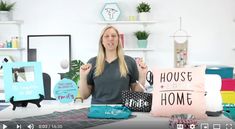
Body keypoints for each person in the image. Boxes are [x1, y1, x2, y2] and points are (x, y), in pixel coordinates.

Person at [79, 26, 147, 104]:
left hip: (123, 111)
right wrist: (83, 76)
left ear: (118, 39)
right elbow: (84, 96)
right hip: (98, 112)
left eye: (114, 36)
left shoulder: (130, 62)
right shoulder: (92, 62)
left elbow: (137, 94)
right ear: (102, 41)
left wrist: (142, 75)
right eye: (106, 36)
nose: (110, 38)